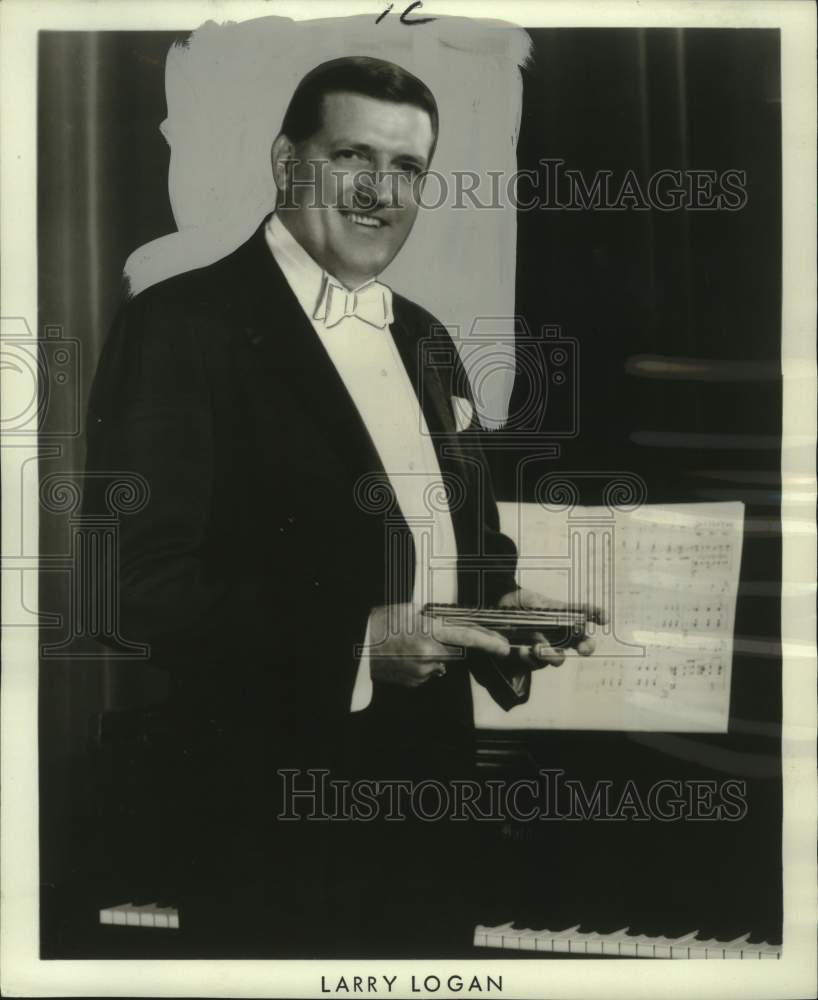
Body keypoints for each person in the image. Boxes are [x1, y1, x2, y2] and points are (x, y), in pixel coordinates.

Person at [84, 55, 601, 957]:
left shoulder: (424, 336)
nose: (380, 192)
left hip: (431, 814)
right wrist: (360, 640)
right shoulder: (180, 327)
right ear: (288, 160)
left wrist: (505, 608)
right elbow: (137, 585)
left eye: (407, 170)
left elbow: (466, 546)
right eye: (353, 157)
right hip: (268, 832)